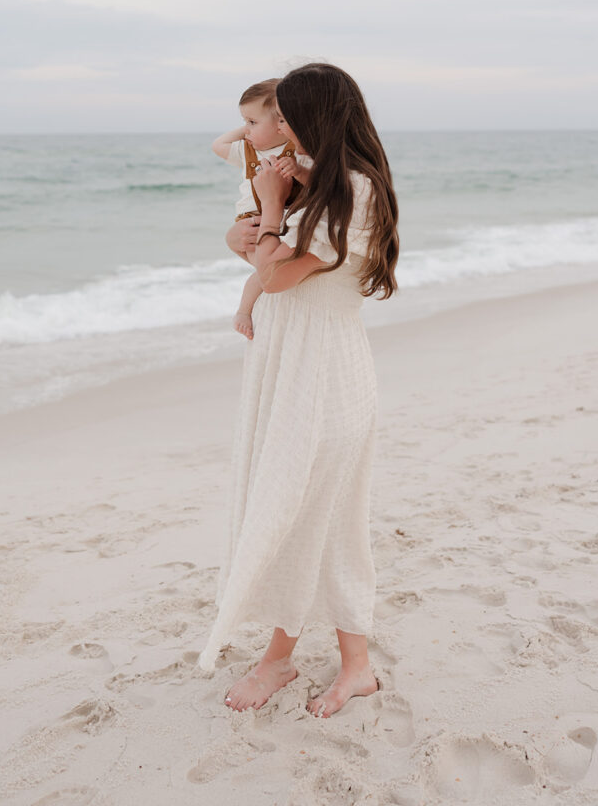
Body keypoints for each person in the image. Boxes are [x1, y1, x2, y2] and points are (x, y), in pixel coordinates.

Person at [199, 63, 399, 719]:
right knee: (326, 521)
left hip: (325, 375)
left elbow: (277, 278)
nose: (275, 127)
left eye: (284, 115)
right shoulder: (319, 180)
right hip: (287, 367)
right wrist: (262, 217)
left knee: (301, 517)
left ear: (313, 117)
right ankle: (355, 665)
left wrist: (270, 208)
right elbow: (247, 247)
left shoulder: (355, 192)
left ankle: (278, 657)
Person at [212, 79, 312, 339]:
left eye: (253, 122)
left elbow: (317, 185)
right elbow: (217, 145)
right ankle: (244, 311)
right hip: (252, 221)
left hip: (282, 219)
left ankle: (245, 311)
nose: (246, 130)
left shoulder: (297, 151)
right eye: (245, 122)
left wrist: (299, 172)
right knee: (265, 272)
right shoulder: (247, 151)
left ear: (281, 124)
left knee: (267, 272)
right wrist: (249, 126)